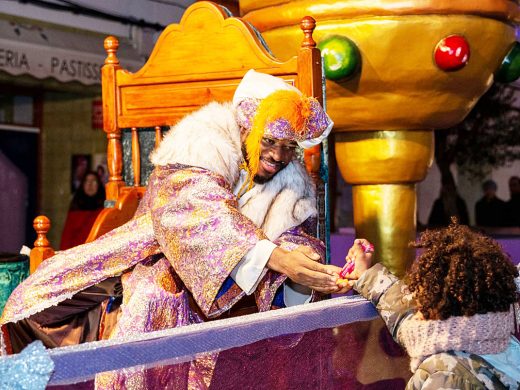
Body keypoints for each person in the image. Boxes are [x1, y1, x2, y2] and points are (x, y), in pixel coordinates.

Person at [1, 70, 343, 386]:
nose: (278, 156)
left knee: (152, 299)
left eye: (289, 147)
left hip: (210, 294)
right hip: (141, 254)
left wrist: (305, 271)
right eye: (269, 141)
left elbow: (296, 242)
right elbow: (202, 212)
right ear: (245, 127)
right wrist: (276, 257)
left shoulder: (292, 189)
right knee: (35, 299)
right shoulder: (197, 150)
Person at [337, 223, 520, 389]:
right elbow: (408, 318)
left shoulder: (446, 376)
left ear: (438, 305)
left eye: (421, 295)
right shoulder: (497, 338)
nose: (416, 300)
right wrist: (367, 275)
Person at [60, 170, 106, 250]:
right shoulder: (76, 206)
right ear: (82, 185)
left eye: (94, 181)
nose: (90, 184)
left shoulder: (105, 209)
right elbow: (66, 237)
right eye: (86, 181)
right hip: (77, 254)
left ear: (98, 185)